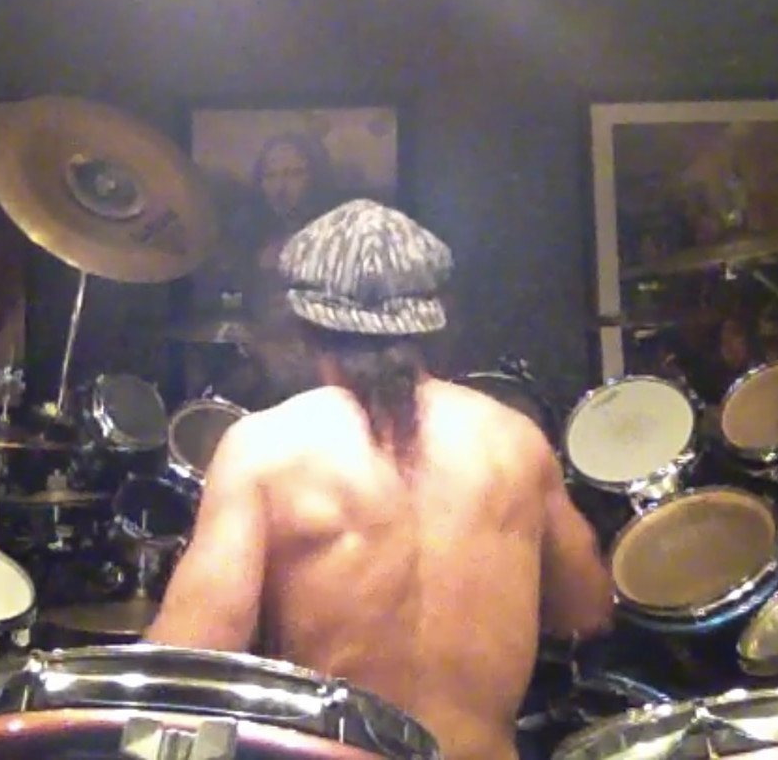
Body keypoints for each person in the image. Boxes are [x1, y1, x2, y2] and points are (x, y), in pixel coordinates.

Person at [145, 199, 614, 760]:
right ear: (432, 322)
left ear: (305, 327)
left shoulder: (265, 450)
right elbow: (585, 611)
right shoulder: (515, 442)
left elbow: (189, 664)